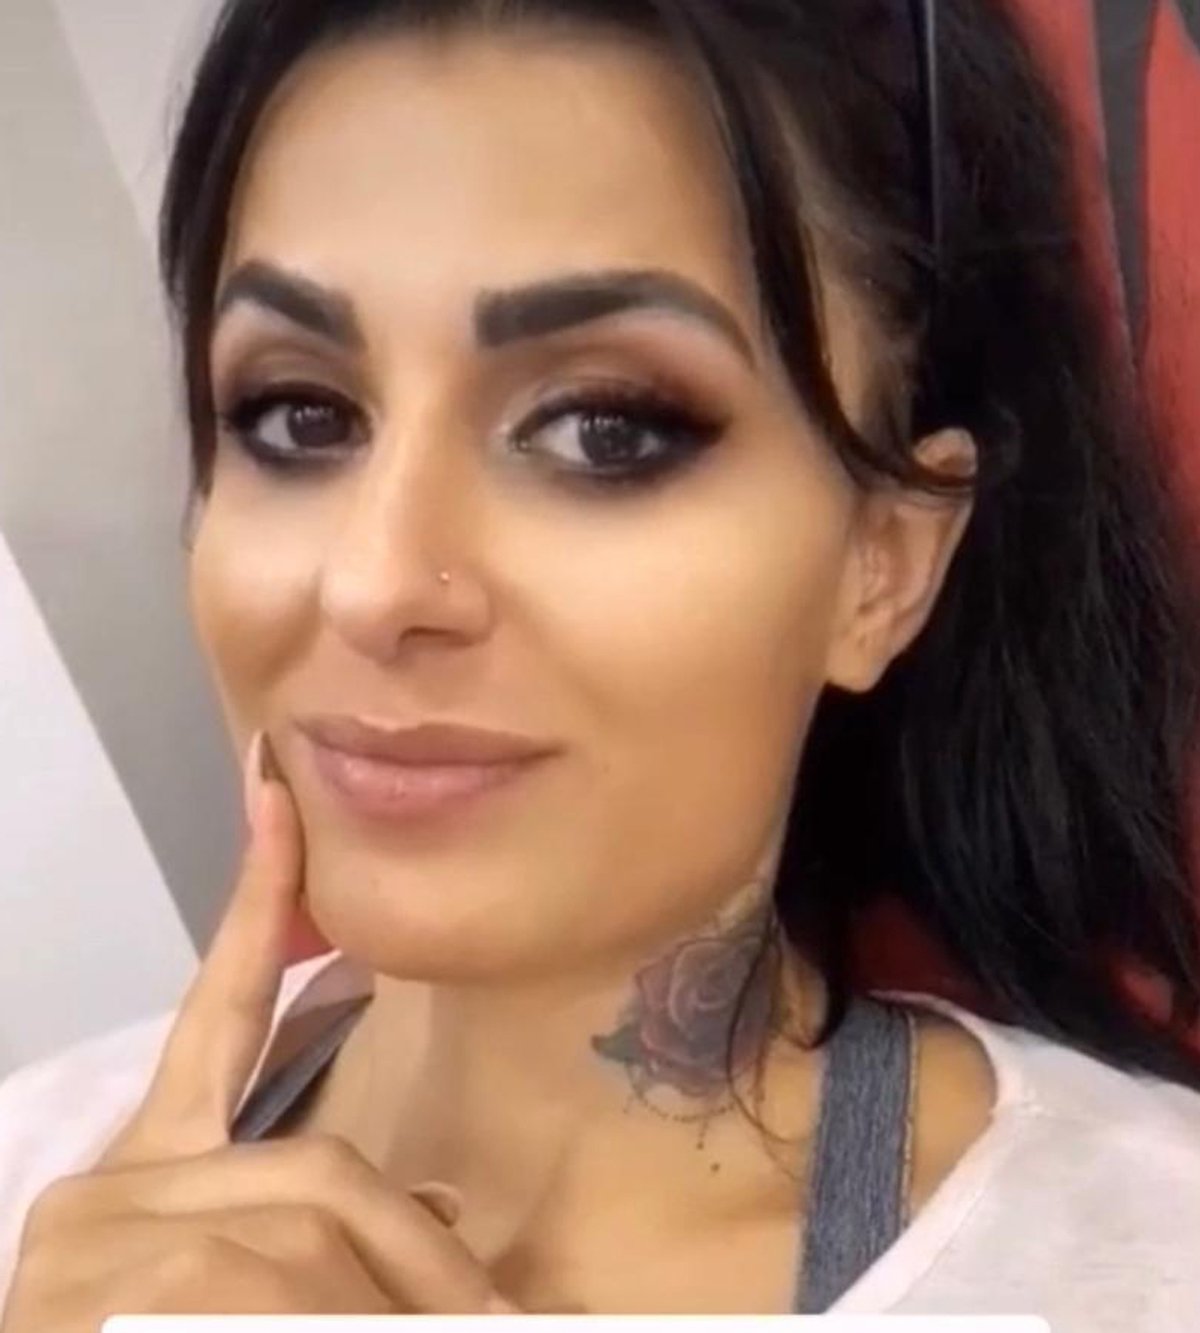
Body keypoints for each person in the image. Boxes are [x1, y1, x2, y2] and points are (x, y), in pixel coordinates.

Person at [2, 0, 1200, 1324]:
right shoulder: (32, 1181)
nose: (374, 583)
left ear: (884, 567)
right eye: (299, 416)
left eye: (604, 432)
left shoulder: (1145, 1258)